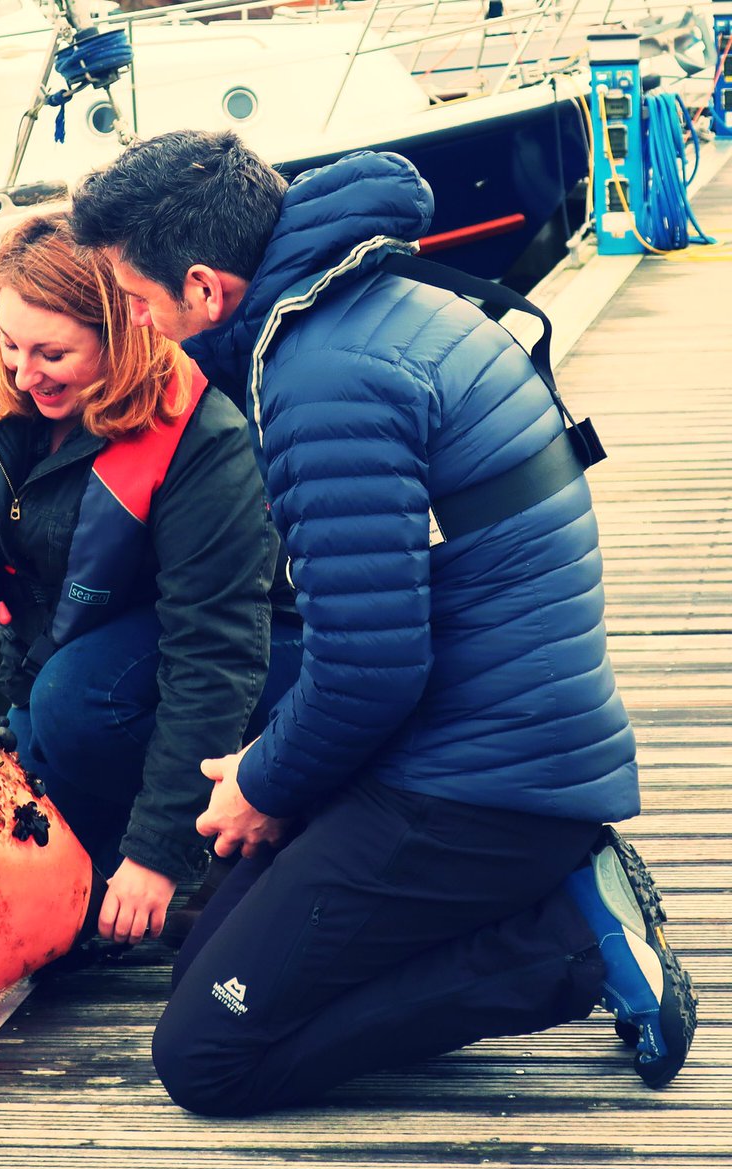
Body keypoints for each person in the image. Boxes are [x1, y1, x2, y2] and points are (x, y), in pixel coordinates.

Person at [70, 131, 698, 1113]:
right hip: (474, 740)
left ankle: (569, 945)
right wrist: (273, 774)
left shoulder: (324, 375)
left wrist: (265, 783)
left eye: (140, 303)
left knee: (206, 1056)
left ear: (201, 289)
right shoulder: (365, 304)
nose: (141, 328)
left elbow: (371, 670)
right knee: (205, 954)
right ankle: (533, 896)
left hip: (485, 790)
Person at [0, 214, 299, 949]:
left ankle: (238, 822)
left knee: (73, 705)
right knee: (46, 901)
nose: (24, 373)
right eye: (8, 344)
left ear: (121, 336)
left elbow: (216, 654)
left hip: (249, 665)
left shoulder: (206, 440)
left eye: (53, 353)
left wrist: (156, 855)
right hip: (56, 673)